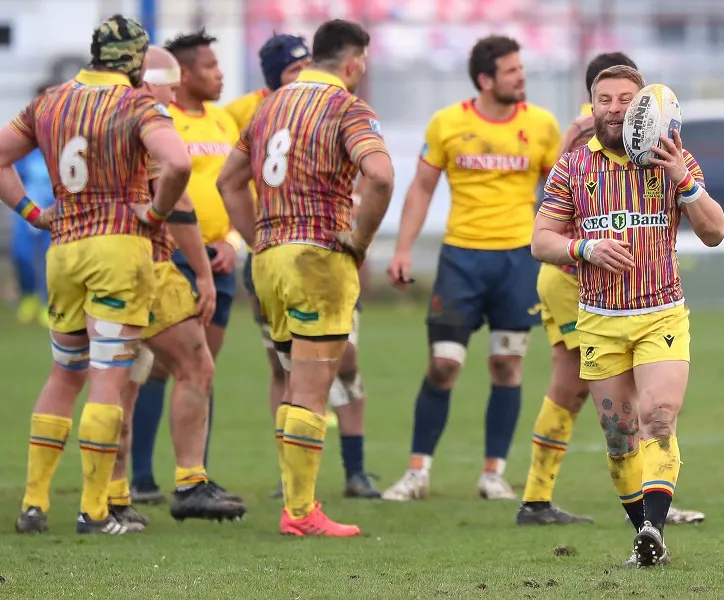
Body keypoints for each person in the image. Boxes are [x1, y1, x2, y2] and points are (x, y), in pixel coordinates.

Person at [0, 14, 191, 535]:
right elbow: (176, 164)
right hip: (118, 251)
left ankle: (34, 503)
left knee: (65, 375)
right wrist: (153, 215)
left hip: (62, 251)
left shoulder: (50, 101)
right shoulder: (136, 103)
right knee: (108, 379)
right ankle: (94, 510)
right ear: (133, 59)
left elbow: (0, 155)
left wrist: (34, 214)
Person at [532, 65, 724, 566]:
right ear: (591, 106)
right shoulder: (572, 168)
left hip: (661, 313)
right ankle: (644, 532)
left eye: (626, 100)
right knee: (620, 438)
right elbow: (541, 241)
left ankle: (652, 531)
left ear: (644, 107)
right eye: (605, 99)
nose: (615, 109)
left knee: (658, 419)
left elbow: (714, 231)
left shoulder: (672, 158)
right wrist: (586, 247)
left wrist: (683, 180)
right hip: (598, 319)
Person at [217, 18, 393, 537]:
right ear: (353, 60)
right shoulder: (347, 107)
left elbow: (229, 181)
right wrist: (358, 242)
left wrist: (259, 240)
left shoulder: (268, 106)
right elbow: (380, 176)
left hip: (268, 261)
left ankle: (299, 504)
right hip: (318, 257)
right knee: (314, 388)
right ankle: (299, 513)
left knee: (295, 381)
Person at [383, 36, 560, 501]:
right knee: (443, 366)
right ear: (486, 80)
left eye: (522, 68)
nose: (521, 77)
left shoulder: (541, 126)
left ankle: (492, 474)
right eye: (512, 70)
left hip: (518, 261)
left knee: (506, 365)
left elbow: (562, 195)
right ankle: (417, 473)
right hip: (461, 259)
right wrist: (402, 250)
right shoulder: (448, 123)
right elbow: (421, 189)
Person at [106, 47, 247, 531]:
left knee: (105, 377)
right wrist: (198, 268)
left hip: (85, 257)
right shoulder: (146, 118)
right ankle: (158, 486)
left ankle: (83, 498)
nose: (169, 94)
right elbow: (179, 185)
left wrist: (37, 216)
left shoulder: (68, 105)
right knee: (162, 370)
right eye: (167, 84)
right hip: (146, 261)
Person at [11, 84, 56, 328]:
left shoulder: (63, 138)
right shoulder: (22, 139)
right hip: (27, 208)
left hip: (56, 209)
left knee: (53, 258)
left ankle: (49, 302)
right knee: (22, 254)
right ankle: (28, 295)